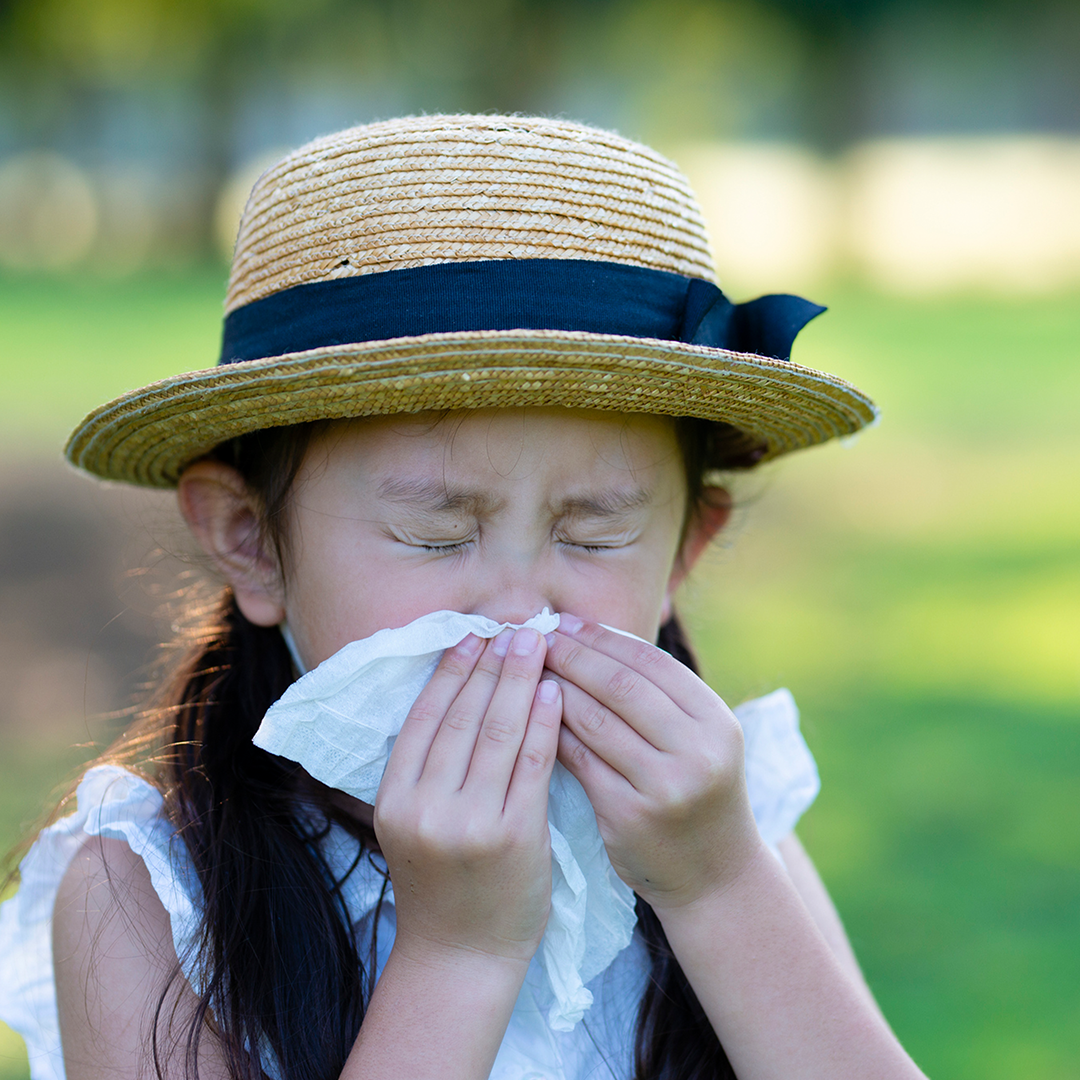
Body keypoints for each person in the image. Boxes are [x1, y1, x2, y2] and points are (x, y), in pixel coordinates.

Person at [0, 115, 925, 1080]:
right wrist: (458, 954)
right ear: (251, 541)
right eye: (436, 533)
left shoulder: (727, 830)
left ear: (686, 548)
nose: (518, 605)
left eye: (594, 531)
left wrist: (721, 889)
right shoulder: (141, 896)